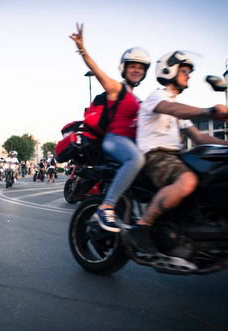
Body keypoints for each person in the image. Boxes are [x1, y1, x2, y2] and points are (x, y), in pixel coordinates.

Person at [129, 50, 228, 254]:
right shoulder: (158, 95)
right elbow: (172, 110)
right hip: (156, 155)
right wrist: (209, 111)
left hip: (175, 156)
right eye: (184, 71)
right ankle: (142, 225)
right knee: (188, 181)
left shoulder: (177, 106)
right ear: (169, 71)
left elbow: (199, 137)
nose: (188, 76)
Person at [70, 23, 150, 232]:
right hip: (114, 140)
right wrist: (82, 48)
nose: (136, 70)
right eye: (132, 66)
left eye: (140, 68)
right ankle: (106, 207)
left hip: (131, 143)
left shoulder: (140, 99)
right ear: (124, 68)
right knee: (136, 159)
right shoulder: (117, 88)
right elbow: (96, 70)